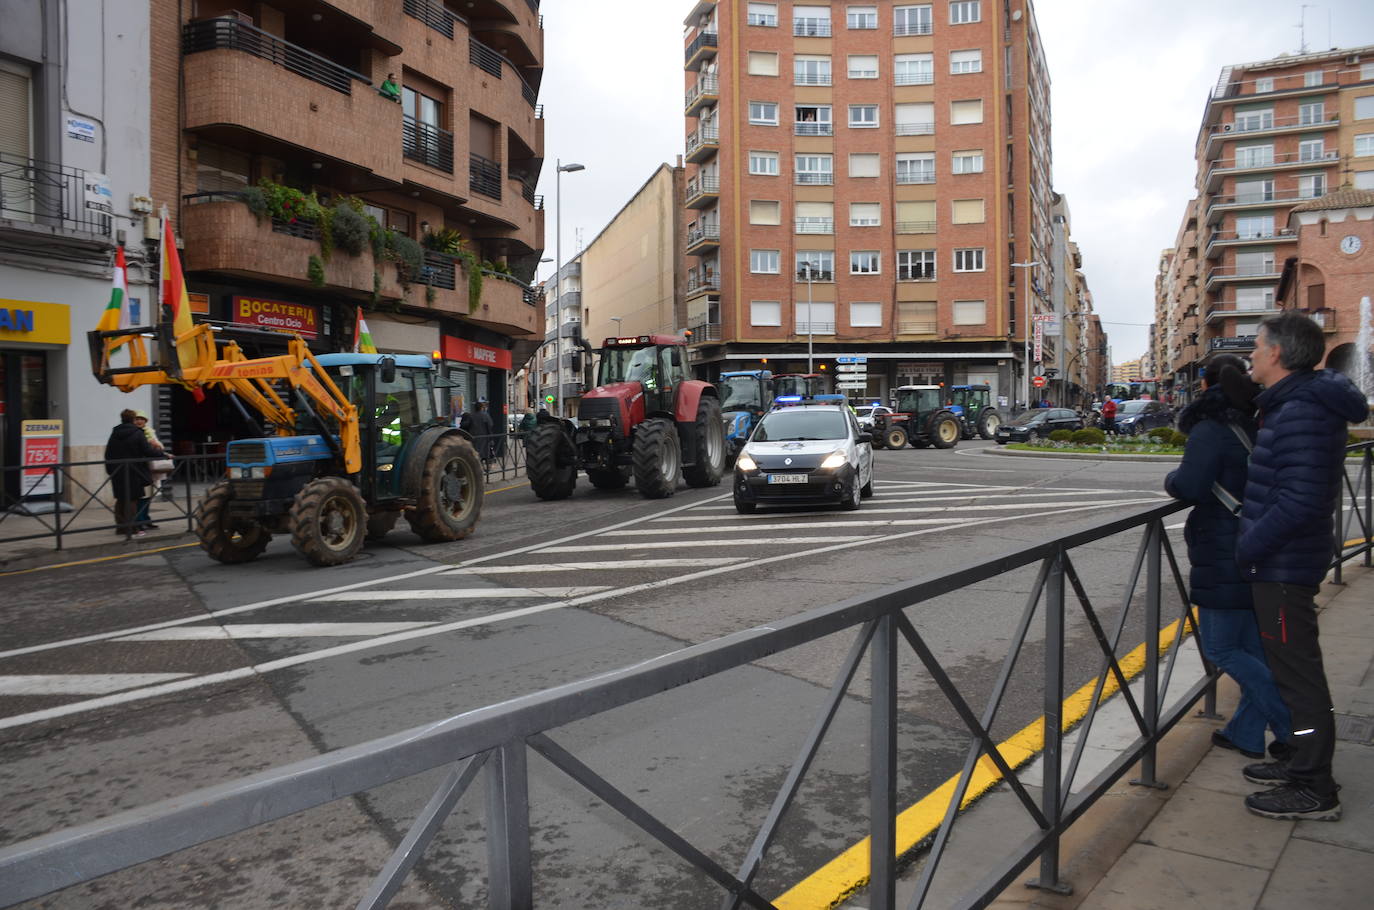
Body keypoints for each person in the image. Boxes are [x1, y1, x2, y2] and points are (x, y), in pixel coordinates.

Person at [1234, 311, 1367, 821]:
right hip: (1284, 561)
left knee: (1299, 677)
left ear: (1277, 354)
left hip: (1282, 566)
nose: (1251, 354)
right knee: (1292, 670)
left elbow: (1302, 502)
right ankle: (1300, 763)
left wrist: (1249, 546)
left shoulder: (1302, 411)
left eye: (1258, 345)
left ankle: (1314, 785)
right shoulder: (1295, 403)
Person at [1165, 353, 1291, 763]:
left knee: (1221, 648)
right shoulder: (1257, 420)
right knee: (1253, 650)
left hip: (1224, 547)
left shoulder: (1212, 428)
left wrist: (1170, 479)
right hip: (1260, 540)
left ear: (1204, 384)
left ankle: (1294, 730)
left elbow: (1189, 485)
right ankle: (1247, 735)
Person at [104, 408, 162, 539]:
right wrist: (162, 454)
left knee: (120, 499)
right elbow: (147, 450)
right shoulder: (137, 433)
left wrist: (110, 470)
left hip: (117, 470)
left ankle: (120, 528)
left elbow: (108, 453)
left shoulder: (114, 433)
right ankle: (133, 529)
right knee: (132, 499)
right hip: (133, 470)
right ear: (132, 419)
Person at [132, 410, 170, 530]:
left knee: (149, 495)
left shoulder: (149, 432)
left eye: (142, 419)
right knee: (141, 496)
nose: (139, 421)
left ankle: (146, 519)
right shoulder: (134, 433)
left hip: (150, 468)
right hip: (140, 468)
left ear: (145, 421)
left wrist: (157, 446)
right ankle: (140, 520)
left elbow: (159, 446)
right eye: (137, 419)